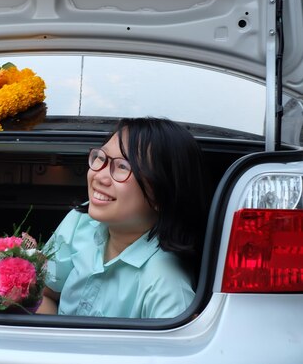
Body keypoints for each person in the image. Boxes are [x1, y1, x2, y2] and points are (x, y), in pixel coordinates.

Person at [37, 117, 210, 318]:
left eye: (122, 167)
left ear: (162, 194)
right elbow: (44, 293)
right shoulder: (81, 222)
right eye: (101, 158)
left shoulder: (166, 285)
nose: (99, 176)